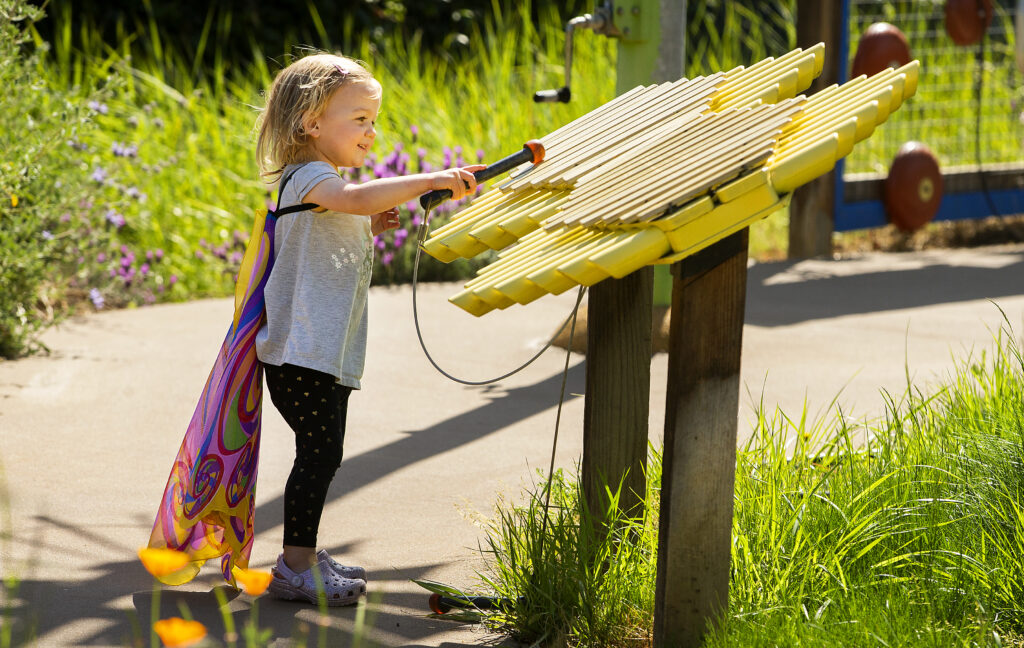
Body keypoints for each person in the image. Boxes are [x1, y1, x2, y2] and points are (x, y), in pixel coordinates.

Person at [253, 52, 484, 606]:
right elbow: (350, 198)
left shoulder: (323, 184)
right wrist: (428, 179)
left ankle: (303, 555)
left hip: (321, 351)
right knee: (321, 452)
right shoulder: (310, 175)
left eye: (373, 121)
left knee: (322, 451)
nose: (371, 132)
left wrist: (367, 223)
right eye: (359, 119)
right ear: (311, 121)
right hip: (299, 350)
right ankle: (294, 567)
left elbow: (342, 214)